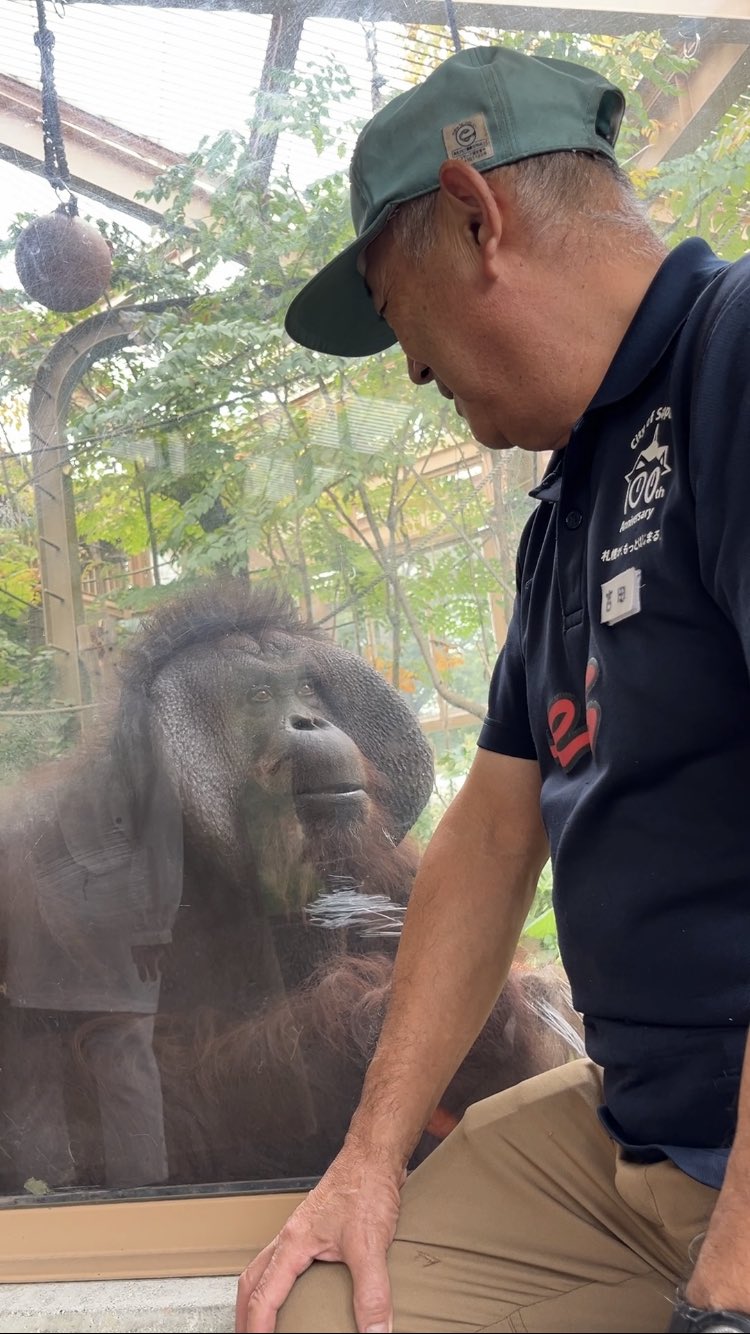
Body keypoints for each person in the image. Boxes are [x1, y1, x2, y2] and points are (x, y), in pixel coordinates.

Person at [235, 44, 750, 1334]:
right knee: (318, 1309)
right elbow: (492, 825)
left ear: (478, 218)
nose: (410, 374)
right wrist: (366, 1160)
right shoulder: (568, 498)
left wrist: (730, 1286)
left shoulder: (734, 362)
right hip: (640, 1135)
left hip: (735, 1176)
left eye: (401, 320)